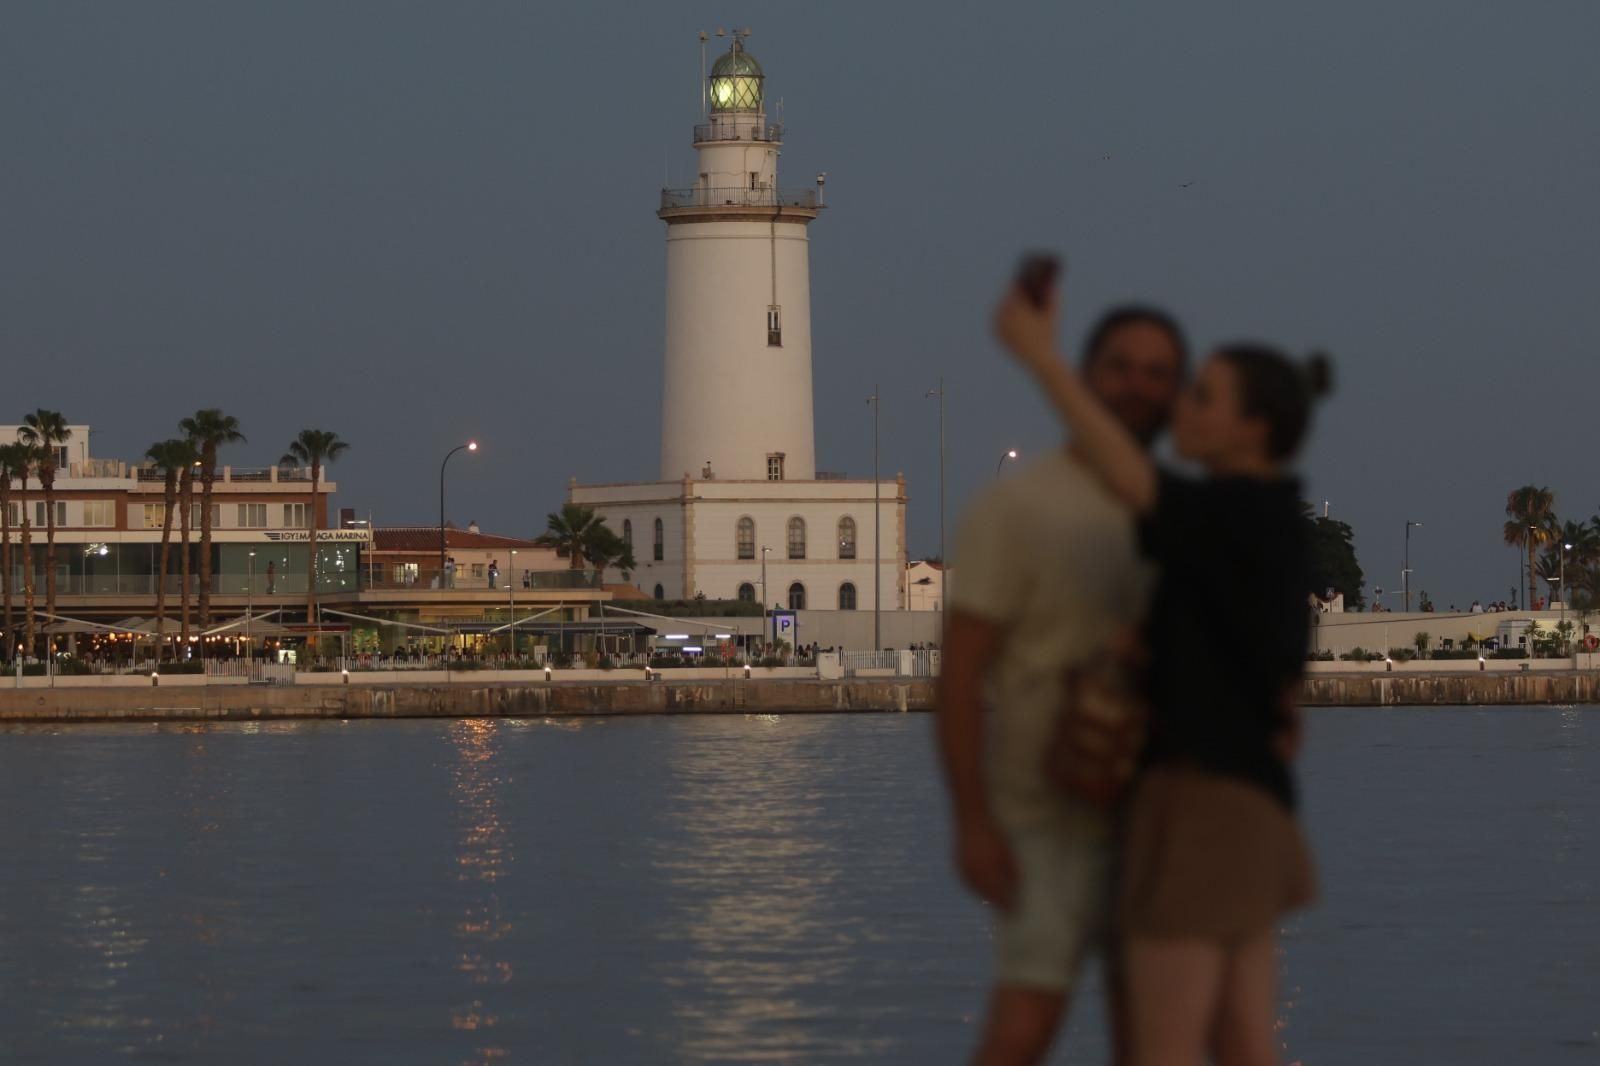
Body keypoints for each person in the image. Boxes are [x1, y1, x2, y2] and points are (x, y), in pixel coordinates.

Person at [995, 272, 1322, 1066]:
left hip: (1199, 810)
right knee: (1248, 1043)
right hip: (1255, 812)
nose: (1182, 404)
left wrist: (1042, 360)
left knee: (1162, 1046)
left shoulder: (1225, 516)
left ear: (1253, 428)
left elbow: (1131, 478)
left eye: (1204, 395)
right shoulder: (1273, 526)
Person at [938, 305, 1188, 1066]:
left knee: (1150, 1030)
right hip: (1046, 817)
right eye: (1120, 366)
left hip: (1158, 821)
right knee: (1027, 1023)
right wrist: (974, 820)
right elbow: (960, 675)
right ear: (1083, 377)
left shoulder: (1178, 510)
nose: (1138, 386)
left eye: (1158, 372)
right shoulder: (1018, 508)